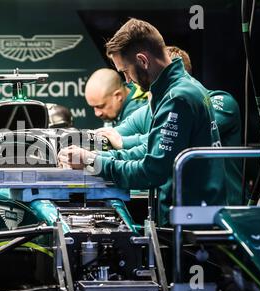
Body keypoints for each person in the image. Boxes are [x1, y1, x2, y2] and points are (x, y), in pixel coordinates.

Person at [58, 18, 226, 226]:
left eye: (125, 72)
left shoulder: (177, 98)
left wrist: (94, 163)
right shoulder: (182, 89)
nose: (128, 81)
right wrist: (94, 156)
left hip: (193, 224)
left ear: (143, 61)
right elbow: (150, 150)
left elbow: (151, 171)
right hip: (195, 215)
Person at [96, 45, 243, 205]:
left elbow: (170, 141)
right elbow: (111, 136)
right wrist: (85, 146)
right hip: (181, 205)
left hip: (226, 206)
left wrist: (122, 144)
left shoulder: (221, 103)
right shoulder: (153, 109)